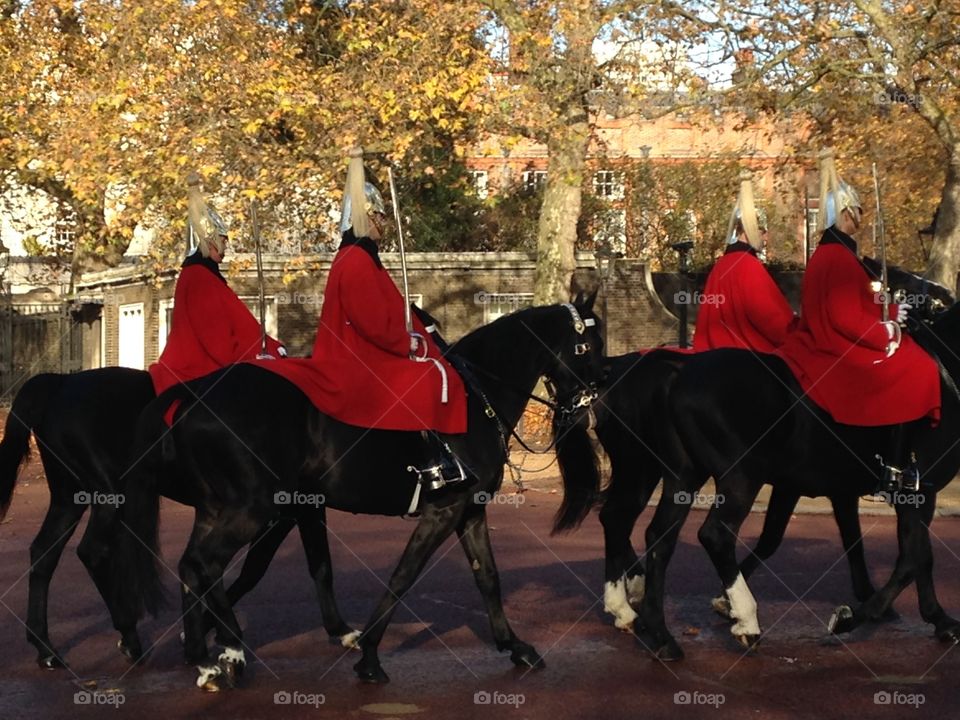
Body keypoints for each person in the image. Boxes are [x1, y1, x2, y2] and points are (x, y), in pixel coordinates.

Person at [777, 150, 941, 491]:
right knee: (919, 368)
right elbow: (845, 317)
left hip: (833, 338)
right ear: (846, 214)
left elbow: (860, 305)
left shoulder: (832, 253)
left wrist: (893, 313)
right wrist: (886, 331)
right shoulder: (837, 257)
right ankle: (896, 464)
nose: (863, 216)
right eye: (858, 210)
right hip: (839, 345)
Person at [310, 147, 469, 488]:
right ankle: (430, 462)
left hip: (364, 350)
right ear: (366, 218)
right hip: (356, 357)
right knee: (427, 377)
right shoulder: (356, 260)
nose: (383, 224)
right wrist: (405, 341)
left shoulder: (361, 257)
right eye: (379, 217)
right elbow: (370, 321)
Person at [149, 173, 285, 396]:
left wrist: (267, 347)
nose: (225, 246)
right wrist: (253, 361)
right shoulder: (199, 277)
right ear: (210, 239)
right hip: (197, 372)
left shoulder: (205, 275)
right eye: (222, 240)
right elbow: (217, 341)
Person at [693, 171, 796, 353]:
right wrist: (795, 332)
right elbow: (770, 318)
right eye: (763, 232)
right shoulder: (748, 266)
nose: (766, 238)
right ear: (750, 230)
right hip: (745, 359)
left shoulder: (720, 266)